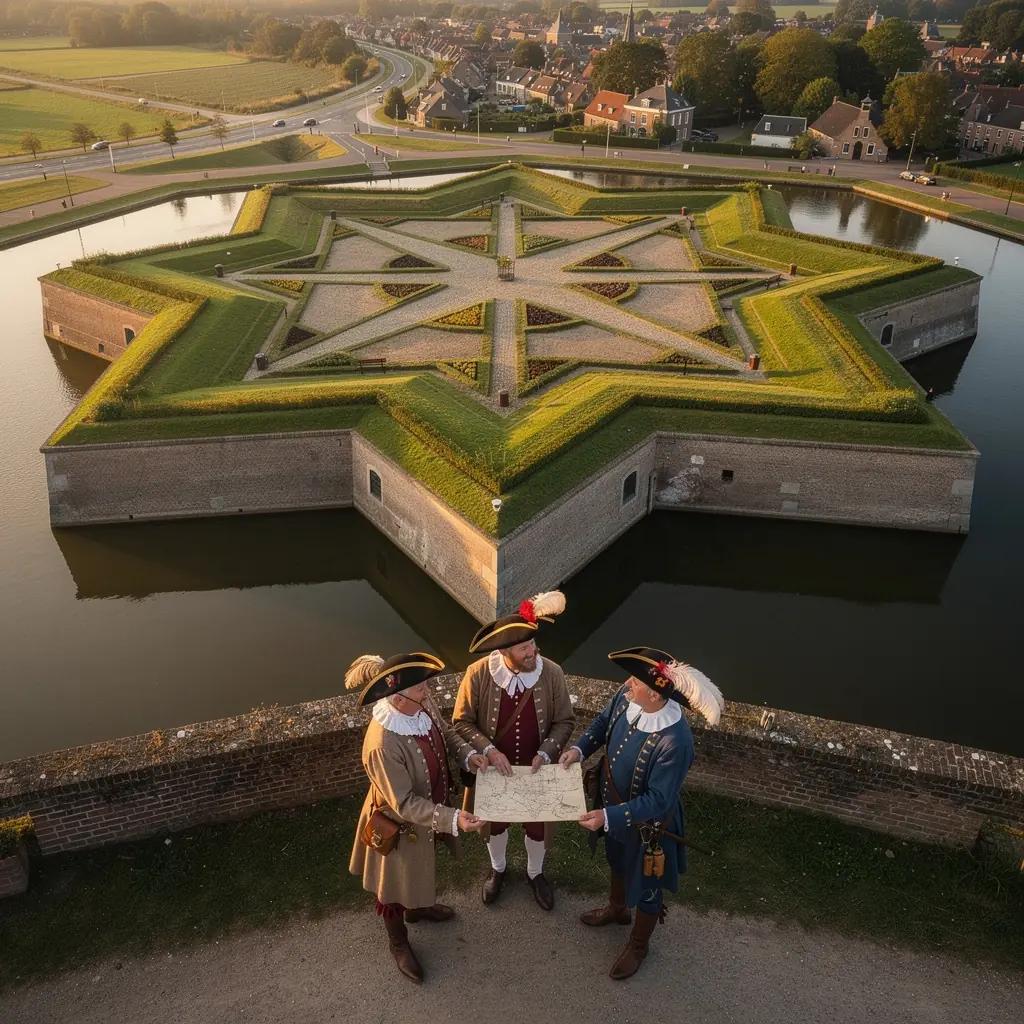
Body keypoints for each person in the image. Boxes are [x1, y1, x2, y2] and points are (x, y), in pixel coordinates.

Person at [559, 646, 724, 980]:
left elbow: (659, 800)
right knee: (616, 862)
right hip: (613, 814)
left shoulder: (675, 741)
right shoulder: (626, 698)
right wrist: (579, 749)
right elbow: (603, 723)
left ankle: (638, 946)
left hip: (649, 829)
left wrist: (609, 817)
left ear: (653, 693)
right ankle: (618, 910)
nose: (626, 684)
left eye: (634, 681)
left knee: (649, 889)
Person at [347, 651, 488, 984]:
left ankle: (419, 908)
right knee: (392, 888)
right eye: (420, 685)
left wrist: (469, 756)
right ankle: (399, 943)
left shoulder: (421, 704)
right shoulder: (382, 743)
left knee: (422, 867)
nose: (428, 687)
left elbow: (446, 734)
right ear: (397, 696)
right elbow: (404, 803)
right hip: (399, 826)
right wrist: (453, 818)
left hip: (429, 814)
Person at [453, 591, 574, 911]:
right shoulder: (477, 674)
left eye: (533, 644)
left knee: (537, 826)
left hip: (537, 772)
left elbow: (565, 721)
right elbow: (461, 722)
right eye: (525, 648)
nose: (534, 651)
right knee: (495, 824)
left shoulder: (553, 673)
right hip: (494, 773)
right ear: (505, 650)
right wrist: (490, 751)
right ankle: (498, 870)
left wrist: (547, 753)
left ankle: (535, 874)